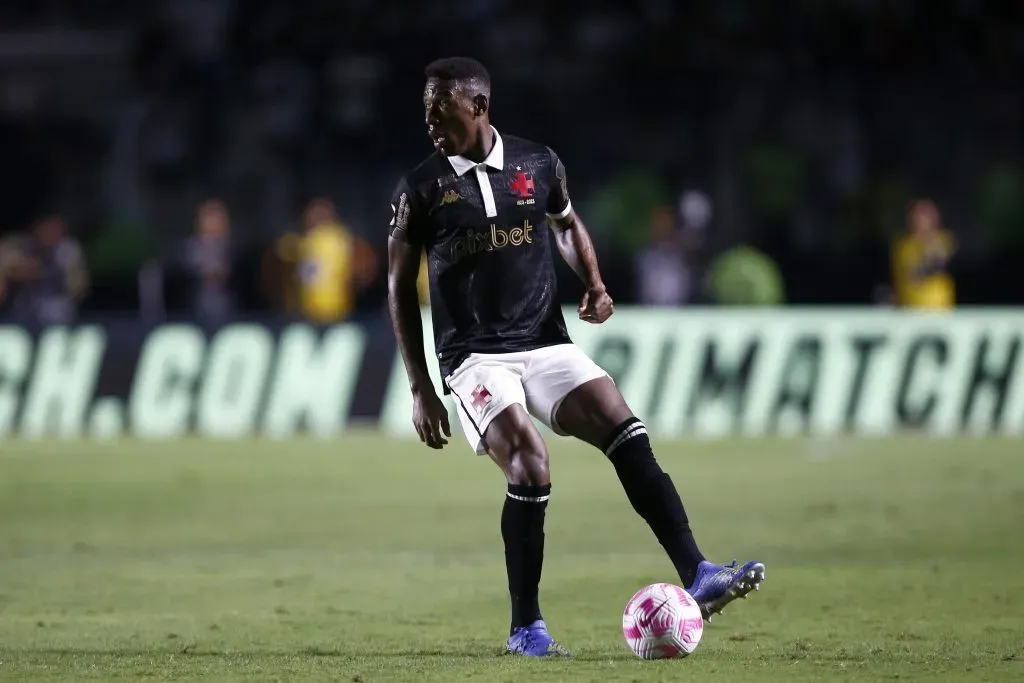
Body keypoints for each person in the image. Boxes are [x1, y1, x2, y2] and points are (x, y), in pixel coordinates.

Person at [386, 57, 765, 658]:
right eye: (426, 110)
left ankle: (698, 571)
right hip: (475, 358)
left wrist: (594, 280)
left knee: (626, 430)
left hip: (545, 341)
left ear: (478, 106)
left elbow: (565, 223)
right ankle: (526, 628)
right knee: (530, 464)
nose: (430, 121)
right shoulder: (421, 188)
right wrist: (420, 386)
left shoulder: (538, 162)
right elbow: (399, 286)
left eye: (441, 109)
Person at [274, 197, 377, 323]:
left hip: (337, 312)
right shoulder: (297, 240)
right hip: (304, 314)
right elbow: (278, 266)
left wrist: (356, 283)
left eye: (321, 212)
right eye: (313, 212)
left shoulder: (341, 239)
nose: (316, 216)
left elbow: (366, 263)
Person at [891, 199, 956, 309]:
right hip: (908, 308)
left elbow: (938, 261)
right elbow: (900, 275)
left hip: (938, 308)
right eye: (916, 214)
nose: (919, 218)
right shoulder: (903, 244)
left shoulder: (943, 239)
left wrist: (927, 237)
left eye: (925, 214)